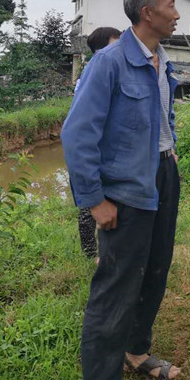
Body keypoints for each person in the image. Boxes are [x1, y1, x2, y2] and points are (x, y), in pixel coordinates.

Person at [61, 0, 182, 380]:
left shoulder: (162, 59)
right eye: (171, 5)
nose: (177, 14)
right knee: (115, 287)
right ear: (148, 13)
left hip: (163, 175)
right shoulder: (109, 62)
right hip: (126, 189)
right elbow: (77, 134)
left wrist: (170, 147)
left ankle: (136, 351)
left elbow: (163, 114)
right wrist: (94, 200)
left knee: (156, 269)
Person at [74, 26, 121, 261]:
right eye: (116, 44)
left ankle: (108, 252)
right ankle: (91, 255)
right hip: (94, 151)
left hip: (113, 152)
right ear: (101, 50)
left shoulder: (113, 71)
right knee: (89, 205)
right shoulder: (91, 77)